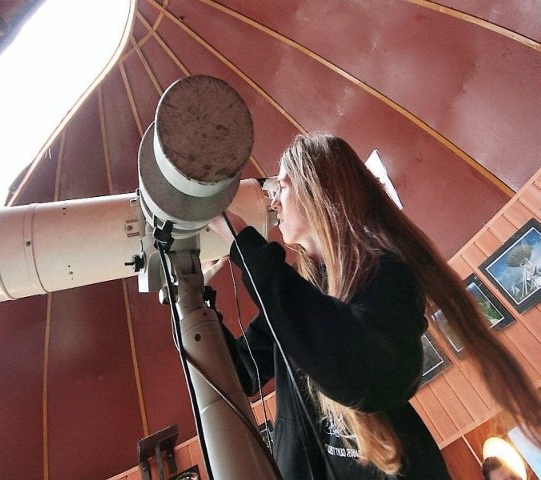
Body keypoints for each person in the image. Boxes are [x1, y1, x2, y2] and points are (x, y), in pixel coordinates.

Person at [208, 133, 541, 479]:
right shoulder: (301, 296)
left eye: (284, 187)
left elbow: (358, 373)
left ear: (319, 190)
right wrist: (198, 296)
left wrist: (244, 244)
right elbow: (241, 373)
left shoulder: (387, 272)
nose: (274, 202)